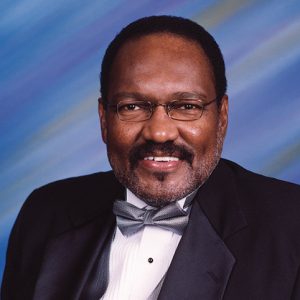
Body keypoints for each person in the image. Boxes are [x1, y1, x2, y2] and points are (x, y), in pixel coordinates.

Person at [1, 15, 300, 300]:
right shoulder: (44, 213)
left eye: (186, 106)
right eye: (132, 107)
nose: (159, 132)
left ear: (221, 117)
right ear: (104, 119)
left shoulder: (290, 226)